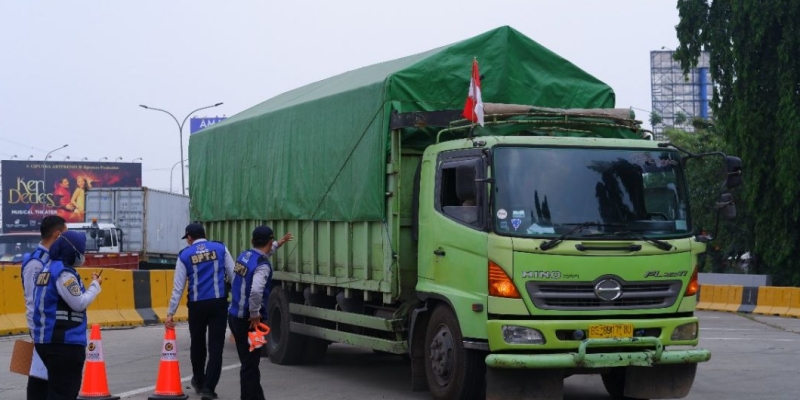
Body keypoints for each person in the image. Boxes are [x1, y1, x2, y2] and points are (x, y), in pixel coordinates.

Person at [165, 223, 235, 400]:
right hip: (219, 303)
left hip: (197, 306)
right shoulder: (220, 248)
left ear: (190, 237)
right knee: (216, 346)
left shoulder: (184, 255)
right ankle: (209, 389)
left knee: (197, 343)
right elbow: (233, 275)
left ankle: (199, 380)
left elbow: (178, 287)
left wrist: (170, 312)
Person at [32, 230, 101, 400]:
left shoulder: (46, 269)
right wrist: (95, 286)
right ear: (72, 251)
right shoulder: (64, 273)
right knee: (65, 393)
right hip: (64, 343)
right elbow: (79, 303)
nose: (82, 255)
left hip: (45, 341)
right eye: (80, 251)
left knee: (51, 392)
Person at [228, 226, 292, 400]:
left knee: (250, 364)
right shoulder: (262, 266)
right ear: (269, 241)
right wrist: (255, 313)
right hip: (249, 321)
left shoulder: (244, 256)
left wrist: (279, 243)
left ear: (252, 241)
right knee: (250, 366)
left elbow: (264, 253)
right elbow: (256, 291)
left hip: (234, 316)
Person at [21, 215, 67, 400]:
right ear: (57, 235)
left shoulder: (53, 260)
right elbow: (32, 302)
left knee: (50, 385)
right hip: (42, 335)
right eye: (66, 234)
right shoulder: (36, 263)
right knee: (39, 385)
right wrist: (36, 336)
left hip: (51, 334)